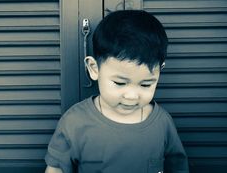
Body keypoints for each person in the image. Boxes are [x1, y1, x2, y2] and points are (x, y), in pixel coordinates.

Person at [45, 10, 189, 173]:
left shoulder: (162, 123)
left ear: (159, 72)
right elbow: (55, 169)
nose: (132, 96)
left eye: (145, 84)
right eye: (120, 83)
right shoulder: (75, 122)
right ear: (94, 69)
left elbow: (177, 167)